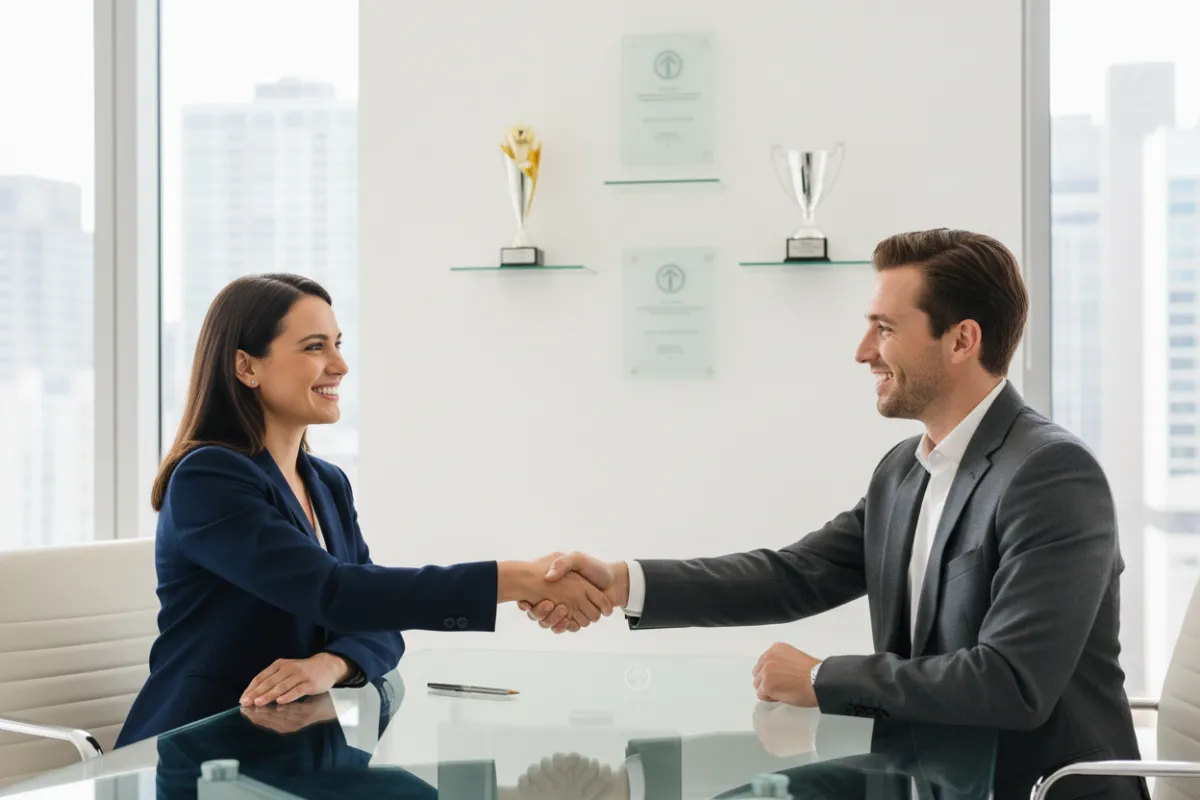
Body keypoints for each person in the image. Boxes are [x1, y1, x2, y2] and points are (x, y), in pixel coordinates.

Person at [521, 229, 1147, 800]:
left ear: (962, 339)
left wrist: (822, 677)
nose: (861, 352)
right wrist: (624, 582)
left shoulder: (1052, 475)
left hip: (1028, 788)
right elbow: (795, 574)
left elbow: (1010, 682)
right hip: (923, 777)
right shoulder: (904, 470)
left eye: (885, 329)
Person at [116, 274, 611, 747]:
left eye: (337, 344)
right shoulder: (209, 479)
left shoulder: (327, 483)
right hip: (201, 752)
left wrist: (333, 664)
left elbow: (377, 620)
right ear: (247, 367)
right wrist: (519, 577)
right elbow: (334, 593)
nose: (339, 365)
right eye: (314, 347)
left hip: (301, 748)